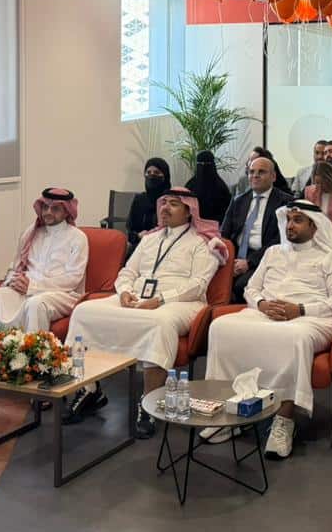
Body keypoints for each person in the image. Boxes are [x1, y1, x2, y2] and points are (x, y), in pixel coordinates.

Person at [66, 187, 226, 438]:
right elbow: (128, 272)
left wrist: (161, 299)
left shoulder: (203, 242)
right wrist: (124, 292)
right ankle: (89, 390)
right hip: (138, 296)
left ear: (189, 211)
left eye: (173, 204)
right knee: (84, 312)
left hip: (182, 302)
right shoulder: (149, 239)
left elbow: (198, 285)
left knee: (160, 322)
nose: (165, 208)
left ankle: (149, 402)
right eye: (164, 203)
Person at [203, 200, 332, 459]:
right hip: (265, 313)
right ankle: (229, 414)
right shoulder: (273, 252)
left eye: (298, 220)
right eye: (288, 220)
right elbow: (251, 288)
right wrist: (262, 304)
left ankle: (284, 421)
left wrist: (300, 310)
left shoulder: (331, 257)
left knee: (293, 337)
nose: (290, 225)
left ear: (315, 226)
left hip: (311, 319)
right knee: (220, 327)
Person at [0, 188, 89, 399]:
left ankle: (35, 377)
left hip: (62, 294)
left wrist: (32, 286)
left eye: (55, 208)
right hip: (26, 289)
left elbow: (73, 279)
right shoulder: (31, 233)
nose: (48, 212)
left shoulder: (78, 238)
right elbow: (15, 266)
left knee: (36, 304)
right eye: (45, 207)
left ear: (67, 211)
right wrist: (13, 281)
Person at [221, 155, 289, 301]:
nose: (255, 176)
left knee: (240, 286)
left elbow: (280, 240)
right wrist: (228, 259)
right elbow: (224, 233)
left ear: (273, 176)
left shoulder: (285, 202)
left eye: (261, 172)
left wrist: (249, 262)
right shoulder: (238, 200)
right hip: (235, 256)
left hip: (263, 257)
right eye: (251, 172)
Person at [125, 157, 170, 251]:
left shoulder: (171, 200)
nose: (152, 175)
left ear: (165, 176)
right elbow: (129, 229)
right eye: (148, 172)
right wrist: (138, 236)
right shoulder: (139, 199)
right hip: (139, 244)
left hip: (163, 246)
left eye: (157, 172)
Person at [184, 150, 232, 225]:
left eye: (207, 164)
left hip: (217, 228)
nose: (203, 167)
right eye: (200, 164)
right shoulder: (190, 186)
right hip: (193, 227)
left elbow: (228, 213)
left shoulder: (221, 188)